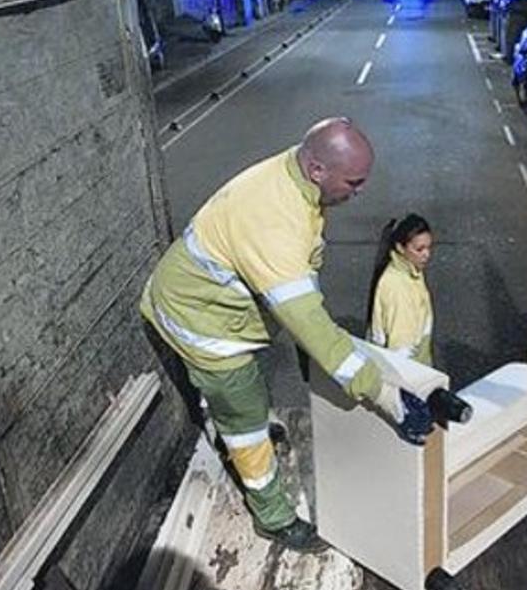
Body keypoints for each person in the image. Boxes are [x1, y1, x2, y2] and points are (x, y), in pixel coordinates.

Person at [139, 118, 423, 552]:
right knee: (246, 420)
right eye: (354, 182)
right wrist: (380, 393)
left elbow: (298, 284)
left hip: (215, 307)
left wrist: (314, 345)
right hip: (203, 326)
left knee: (247, 398)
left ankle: (230, 423)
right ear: (317, 170)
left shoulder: (298, 180)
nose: (359, 191)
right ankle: (272, 516)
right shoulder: (274, 219)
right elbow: (305, 316)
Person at [366, 214, 435, 366]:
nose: (427, 255)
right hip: (411, 375)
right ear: (400, 247)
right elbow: (401, 352)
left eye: (428, 247)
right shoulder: (398, 289)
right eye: (419, 249)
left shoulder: (410, 269)